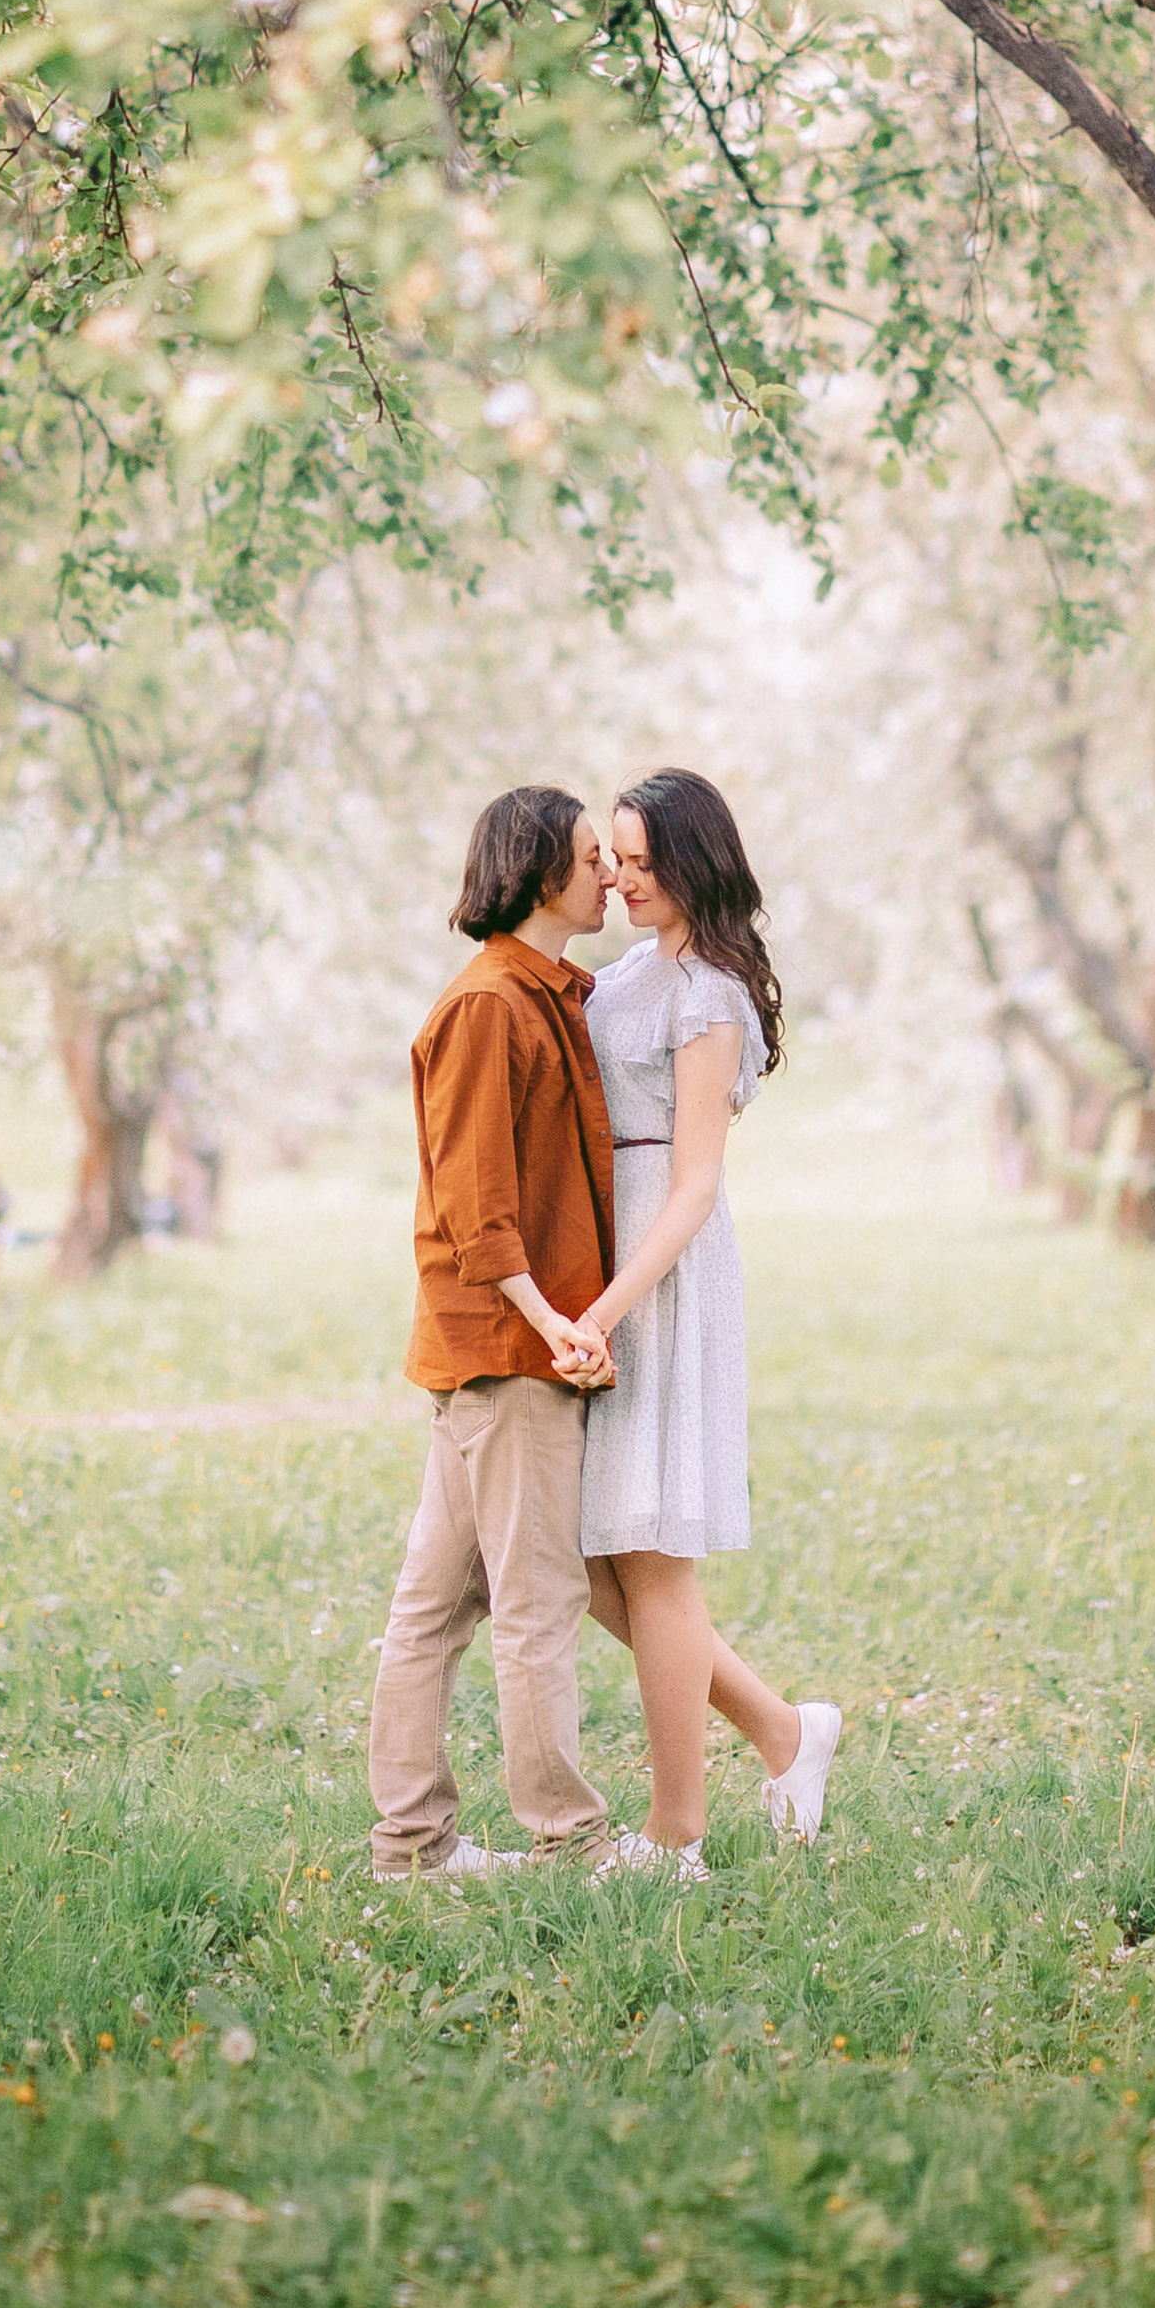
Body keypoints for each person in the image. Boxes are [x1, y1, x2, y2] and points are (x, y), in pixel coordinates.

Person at [553, 768, 841, 1881]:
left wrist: (605, 1310)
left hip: (658, 1273)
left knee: (649, 1557)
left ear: (691, 860)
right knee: (590, 1558)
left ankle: (677, 1832)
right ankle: (783, 1729)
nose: (619, 879)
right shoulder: (623, 973)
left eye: (637, 860)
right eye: (610, 860)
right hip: (599, 1258)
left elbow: (690, 1187)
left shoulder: (709, 993)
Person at [366, 785, 622, 1881]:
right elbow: (478, 1212)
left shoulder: (546, 995)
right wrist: (554, 1326)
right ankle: (571, 1842)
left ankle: (412, 1847)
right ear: (534, 874)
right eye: (591, 857)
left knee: (436, 1607)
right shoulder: (487, 1008)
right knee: (534, 1608)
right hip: (508, 1354)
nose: (611, 873)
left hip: (505, 1349)